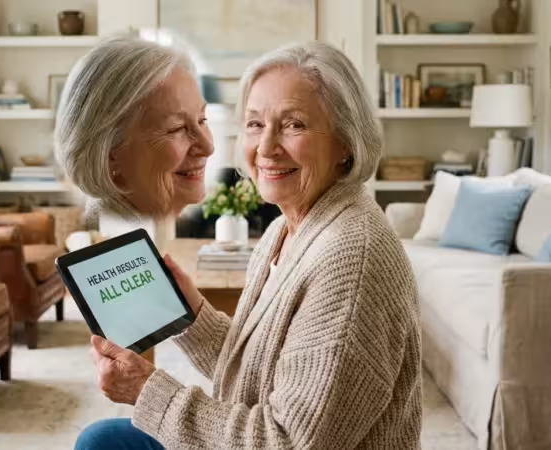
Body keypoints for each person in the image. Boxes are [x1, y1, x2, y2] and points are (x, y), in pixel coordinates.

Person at [76, 41, 422, 449]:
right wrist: (193, 316)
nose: (266, 147)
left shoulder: (351, 258)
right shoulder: (284, 229)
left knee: (103, 444)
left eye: (294, 124)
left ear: (346, 142)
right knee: (103, 438)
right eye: (255, 124)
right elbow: (263, 368)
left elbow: (286, 441)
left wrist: (147, 389)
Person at [55, 34, 214, 219]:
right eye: (176, 128)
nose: (208, 147)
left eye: (202, 120)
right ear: (111, 153)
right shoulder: (111, 241)